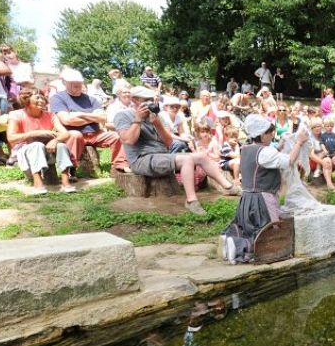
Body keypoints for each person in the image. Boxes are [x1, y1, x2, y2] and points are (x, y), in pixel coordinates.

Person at [114, 86, 240, 215]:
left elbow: (169, 142)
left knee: (201, 156)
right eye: (146, 100)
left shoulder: (156, 116)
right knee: (187, 159)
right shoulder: (123, 115)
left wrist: (157, 123)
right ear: (135, 100)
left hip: (162, 156)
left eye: (152, 99)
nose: (151, 103)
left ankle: (229, 187)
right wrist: (138, 119)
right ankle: (191, 201)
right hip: (141, 160)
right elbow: (128, 140)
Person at [221, 115, 309, 264]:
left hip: (247, 198)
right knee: (269, 230)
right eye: (270, 133)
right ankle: (240, 247)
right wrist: (299, 142)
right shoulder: (265, 152)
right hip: (262, 199)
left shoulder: (247, 148)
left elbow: (270, 157)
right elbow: (288, 161)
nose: (271, 136)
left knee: (251, 226)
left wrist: (280, 145)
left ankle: (233, 241)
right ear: (262, 135)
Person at [50, 68, 129, 174]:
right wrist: (92, 117)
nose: (77, 84)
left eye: (79, 82)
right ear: (65, 83)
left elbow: (103, 118)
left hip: (96, 134)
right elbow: (67, 120)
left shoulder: (91, 99)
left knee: (117, 136)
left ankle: (119, 166)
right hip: (74, 134)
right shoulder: (58, 98)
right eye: (72, 82)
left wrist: (80, 115)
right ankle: (71, 169)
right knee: (75, 135)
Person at [7, 88, 76, 194]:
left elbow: (66, 133)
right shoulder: (16, 114)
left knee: (61, 146)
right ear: (26, 99)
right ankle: (38, 183)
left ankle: (65, 182)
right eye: (37, 97)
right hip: (25, 151)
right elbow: (11, 138)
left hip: (47, 150)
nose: (42, 100)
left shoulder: (50, 115)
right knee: (37, 145)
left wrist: (56, 140)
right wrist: (34, 133)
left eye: (43, 97)